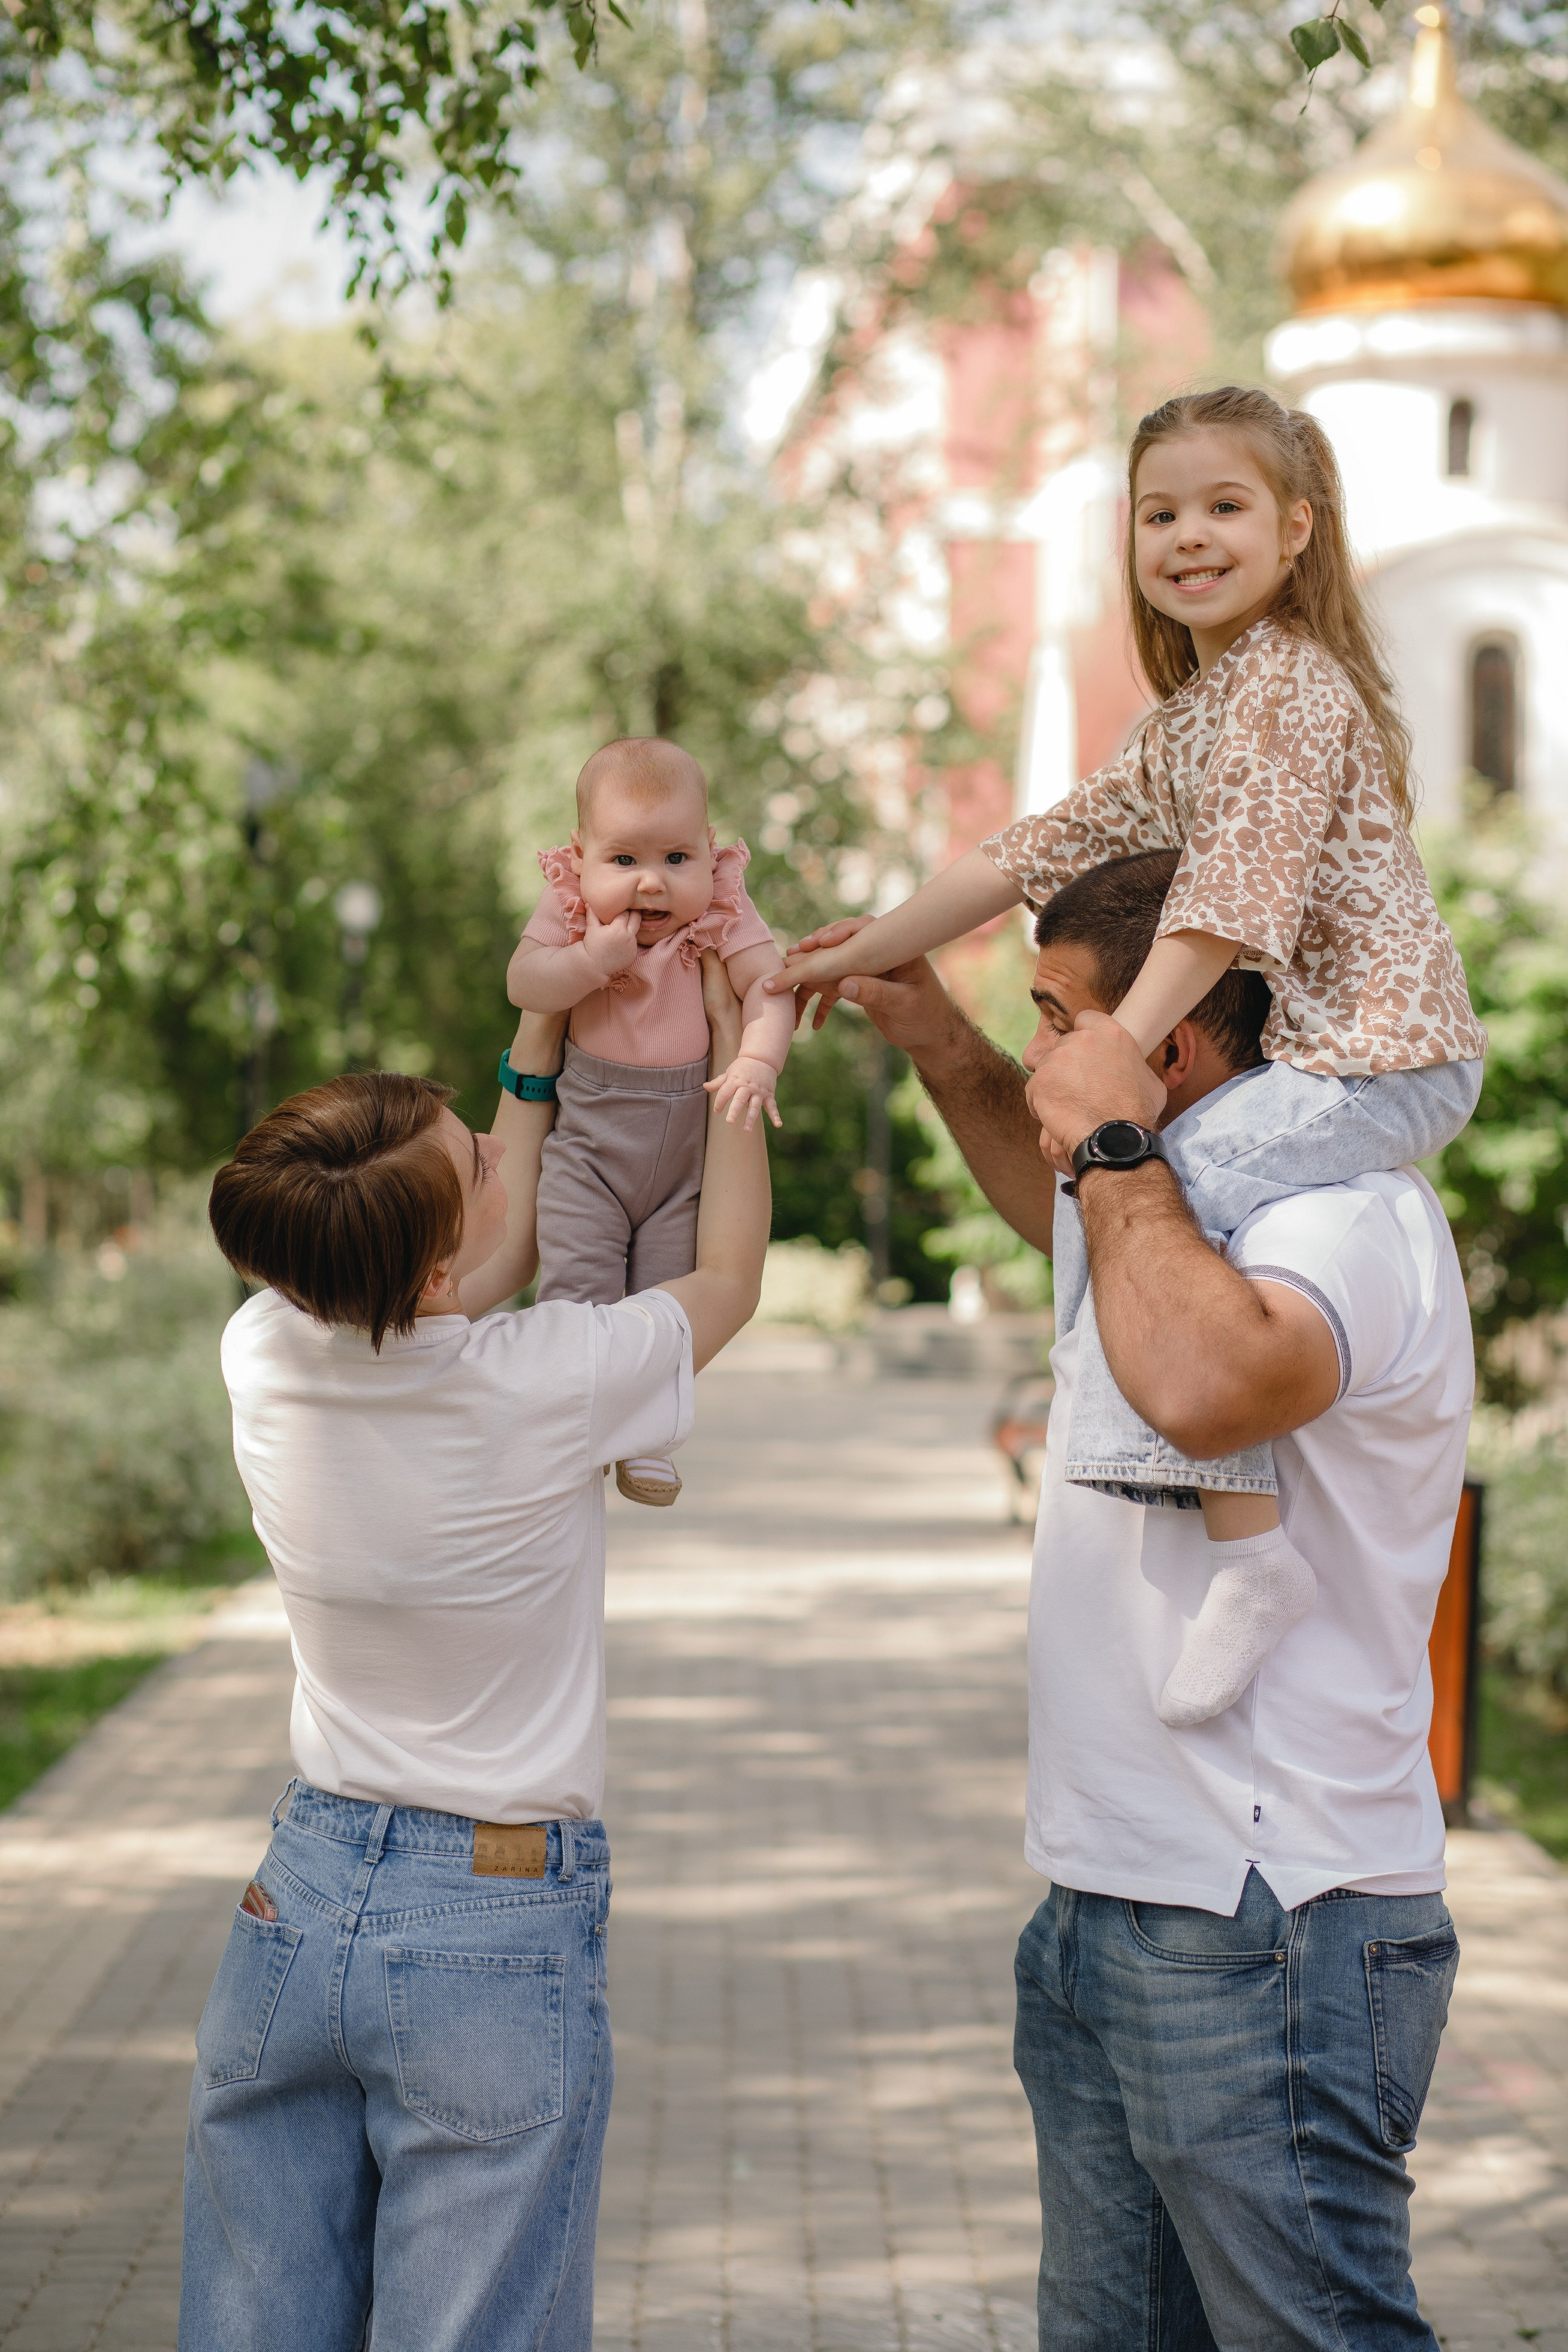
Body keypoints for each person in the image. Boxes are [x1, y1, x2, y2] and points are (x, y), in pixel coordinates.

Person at [807, 848, 1469, 2352]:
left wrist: (1107, 1139)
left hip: (1265, 1918)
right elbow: (1068, 1215)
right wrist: (930, 1031)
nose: (1038, 1051)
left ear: (1162, 1045)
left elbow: (1204, 1381)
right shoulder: (1141, 1187)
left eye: (1055, 1020)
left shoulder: (1333, 1215)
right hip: (1111, 1899)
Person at [775, 386, 1485, 1726]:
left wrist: (1112, 1053)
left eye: (1223, 508)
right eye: (1159, 512)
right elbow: (1021, 852)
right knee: (1123, 1194)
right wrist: (857, 943)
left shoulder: (1286, 688)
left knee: (1150, 1188)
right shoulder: (1183, 723)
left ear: (1294, 530)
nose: (1186, 536)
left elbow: (1227, 905)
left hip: (1382, 1056)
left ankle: (1248, 1552)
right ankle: (1172, 1496)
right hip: (1318, 1056)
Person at [184, 956, 768, 2352]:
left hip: (299, 1898)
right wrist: (742, 1066)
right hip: (489, 1925)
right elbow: (727, 1276)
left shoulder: (265, 1348)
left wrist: (542, 1016)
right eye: (481, 1160)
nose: (507, 1157)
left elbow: (461, 1269)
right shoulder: (547, 1379)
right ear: (433, 1264)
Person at [508, 735, 793, 1505]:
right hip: (591, 1144)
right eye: (624, 861)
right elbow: (523, 981)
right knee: (577, 1282)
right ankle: (564, 1427)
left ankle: (647, 1439)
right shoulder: (572, 908)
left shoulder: (726, 903)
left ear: (709, 850)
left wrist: (758, 1059)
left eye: (675, 858)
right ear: (581, 856)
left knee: (667, 1297)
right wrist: (589, 965)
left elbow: (768, 984)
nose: (651, 885)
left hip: (685, 1145)